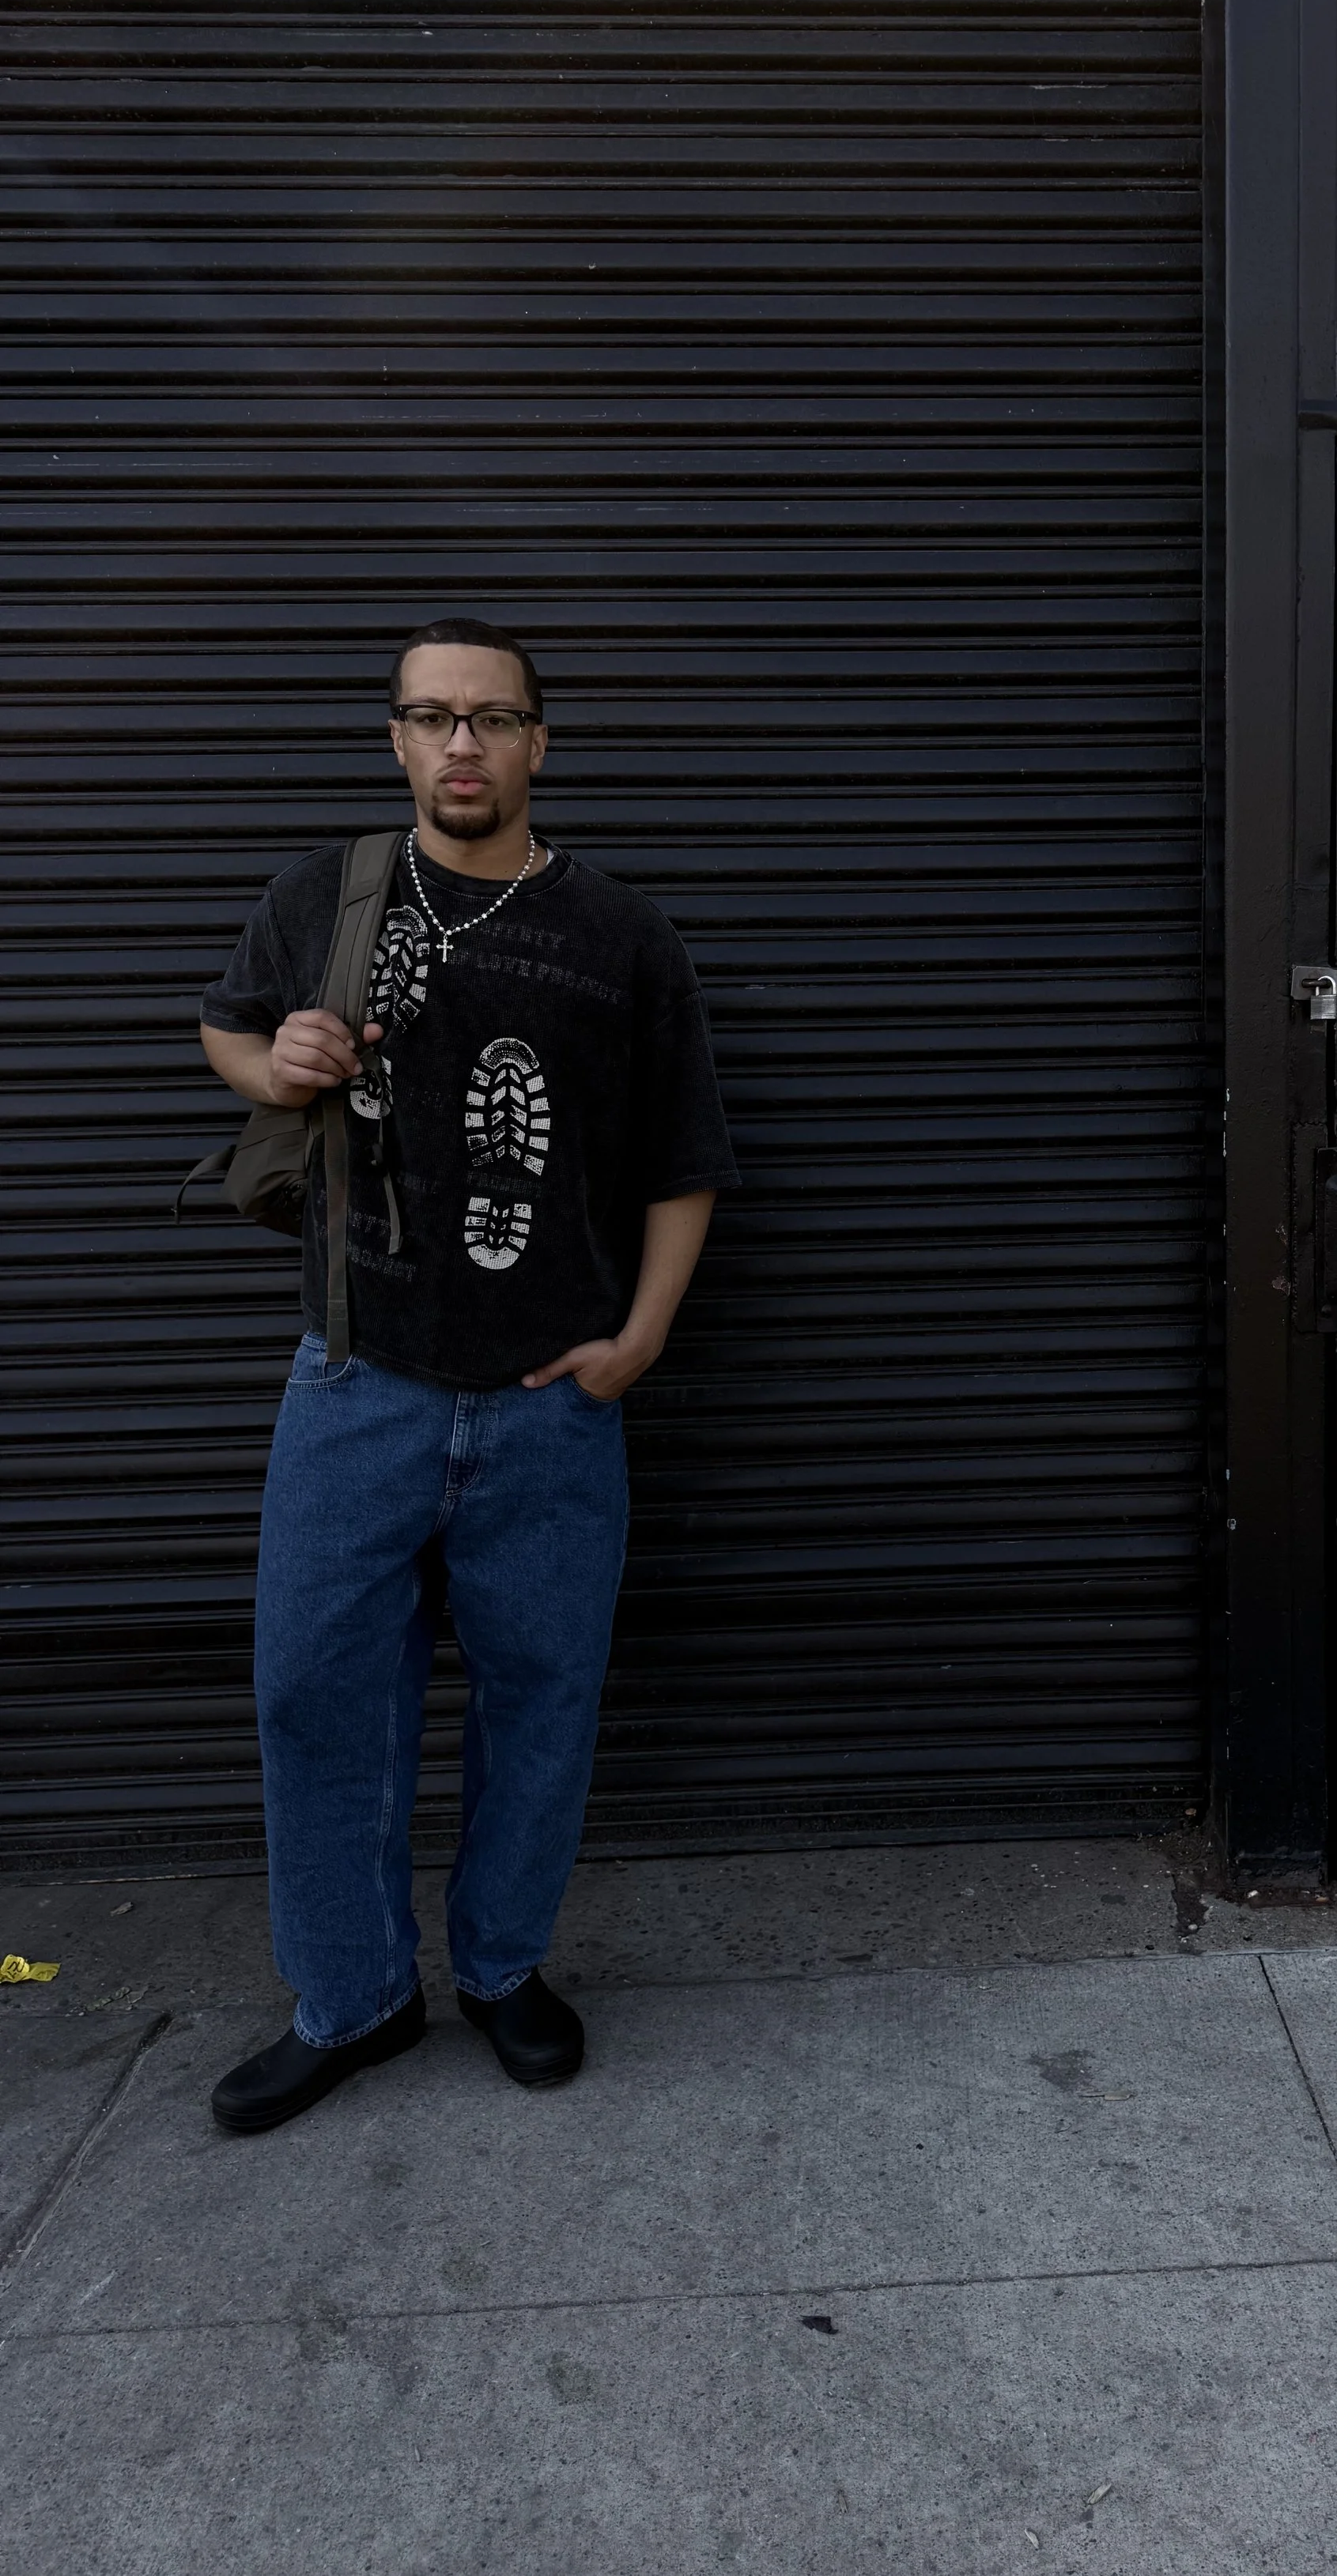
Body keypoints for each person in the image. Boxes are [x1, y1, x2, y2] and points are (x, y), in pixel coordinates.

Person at [198, 618, 738, 2133]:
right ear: (394, 738)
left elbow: (684, 1161)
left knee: (543, 1699)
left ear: (538, 744)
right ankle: (353, 2000)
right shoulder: (331, 894)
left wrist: (639, 1343)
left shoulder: (623, 934)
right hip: (356, 1374)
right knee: (316, 1695)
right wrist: (277, 1064)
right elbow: (225, 1030)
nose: (461, 747)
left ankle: (504, 1972)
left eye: (491, 719)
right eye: (432, 719)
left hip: (553, 1399)